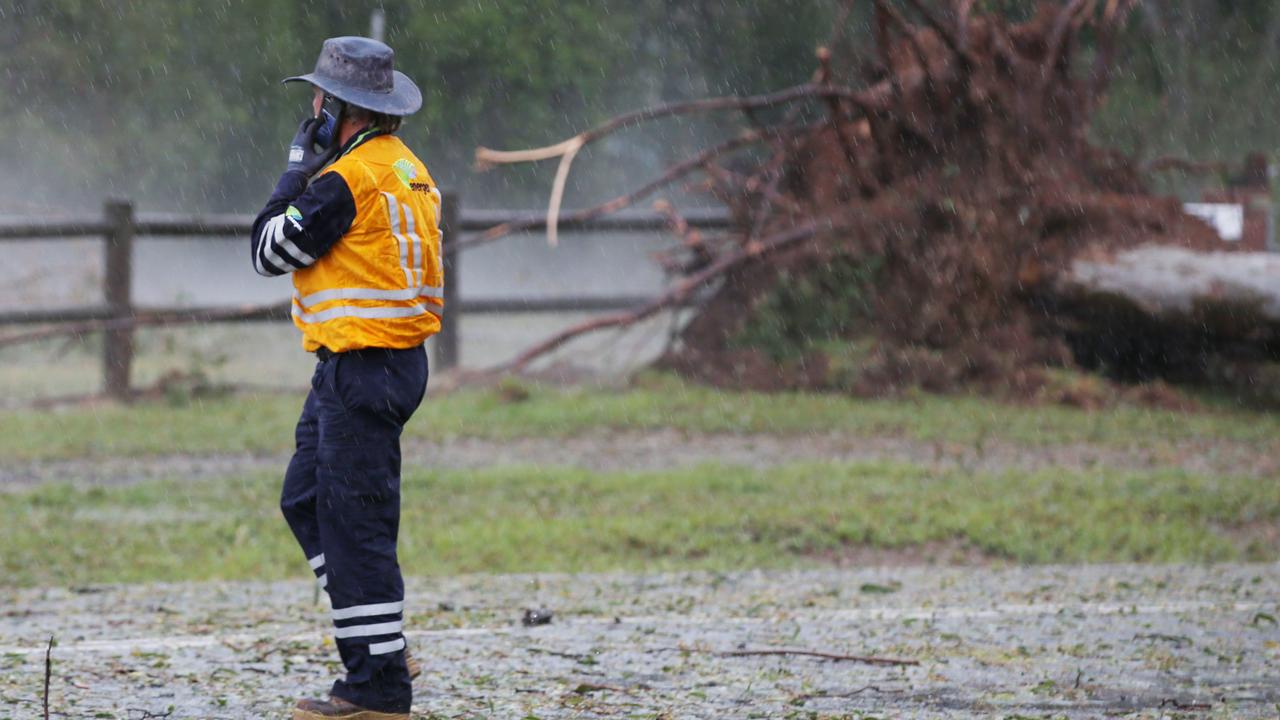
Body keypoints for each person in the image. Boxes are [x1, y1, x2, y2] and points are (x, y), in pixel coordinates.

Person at [249, 36, 443, 720]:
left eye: (318, 101)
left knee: (354, 527)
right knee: (306, 500)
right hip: (374, 364)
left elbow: (268, 250)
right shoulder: (409, 168)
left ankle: (377, 690)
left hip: (365, 367)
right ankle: (384, 648)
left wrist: (294, 171)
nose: (310, 110)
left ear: (339, 111)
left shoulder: (345, 181)